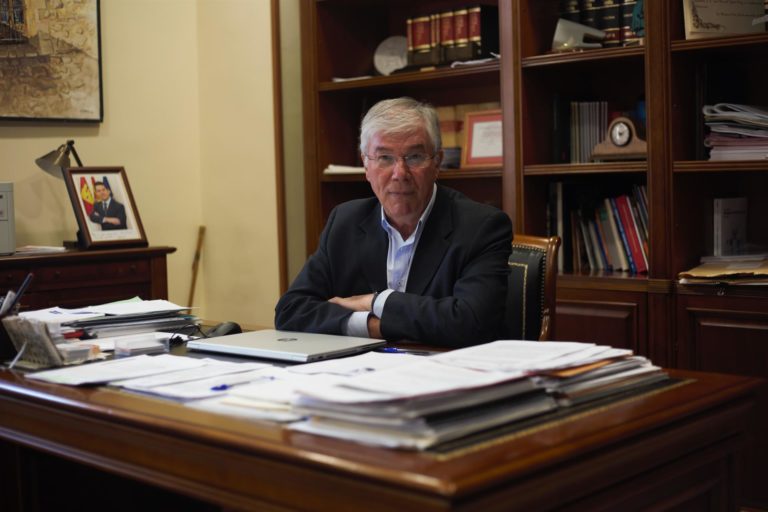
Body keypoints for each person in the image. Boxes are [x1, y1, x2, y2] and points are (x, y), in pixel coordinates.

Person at [275, 97, 512, 347]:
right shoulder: (345, 222)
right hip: (360, 367)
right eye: (385, 158)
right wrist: (372, 326)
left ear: (437, 163)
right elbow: (291, 311)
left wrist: (375, 301)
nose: (400, 173)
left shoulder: (481, 227)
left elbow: (470, 323)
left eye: (414, 157)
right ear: (366, 165)